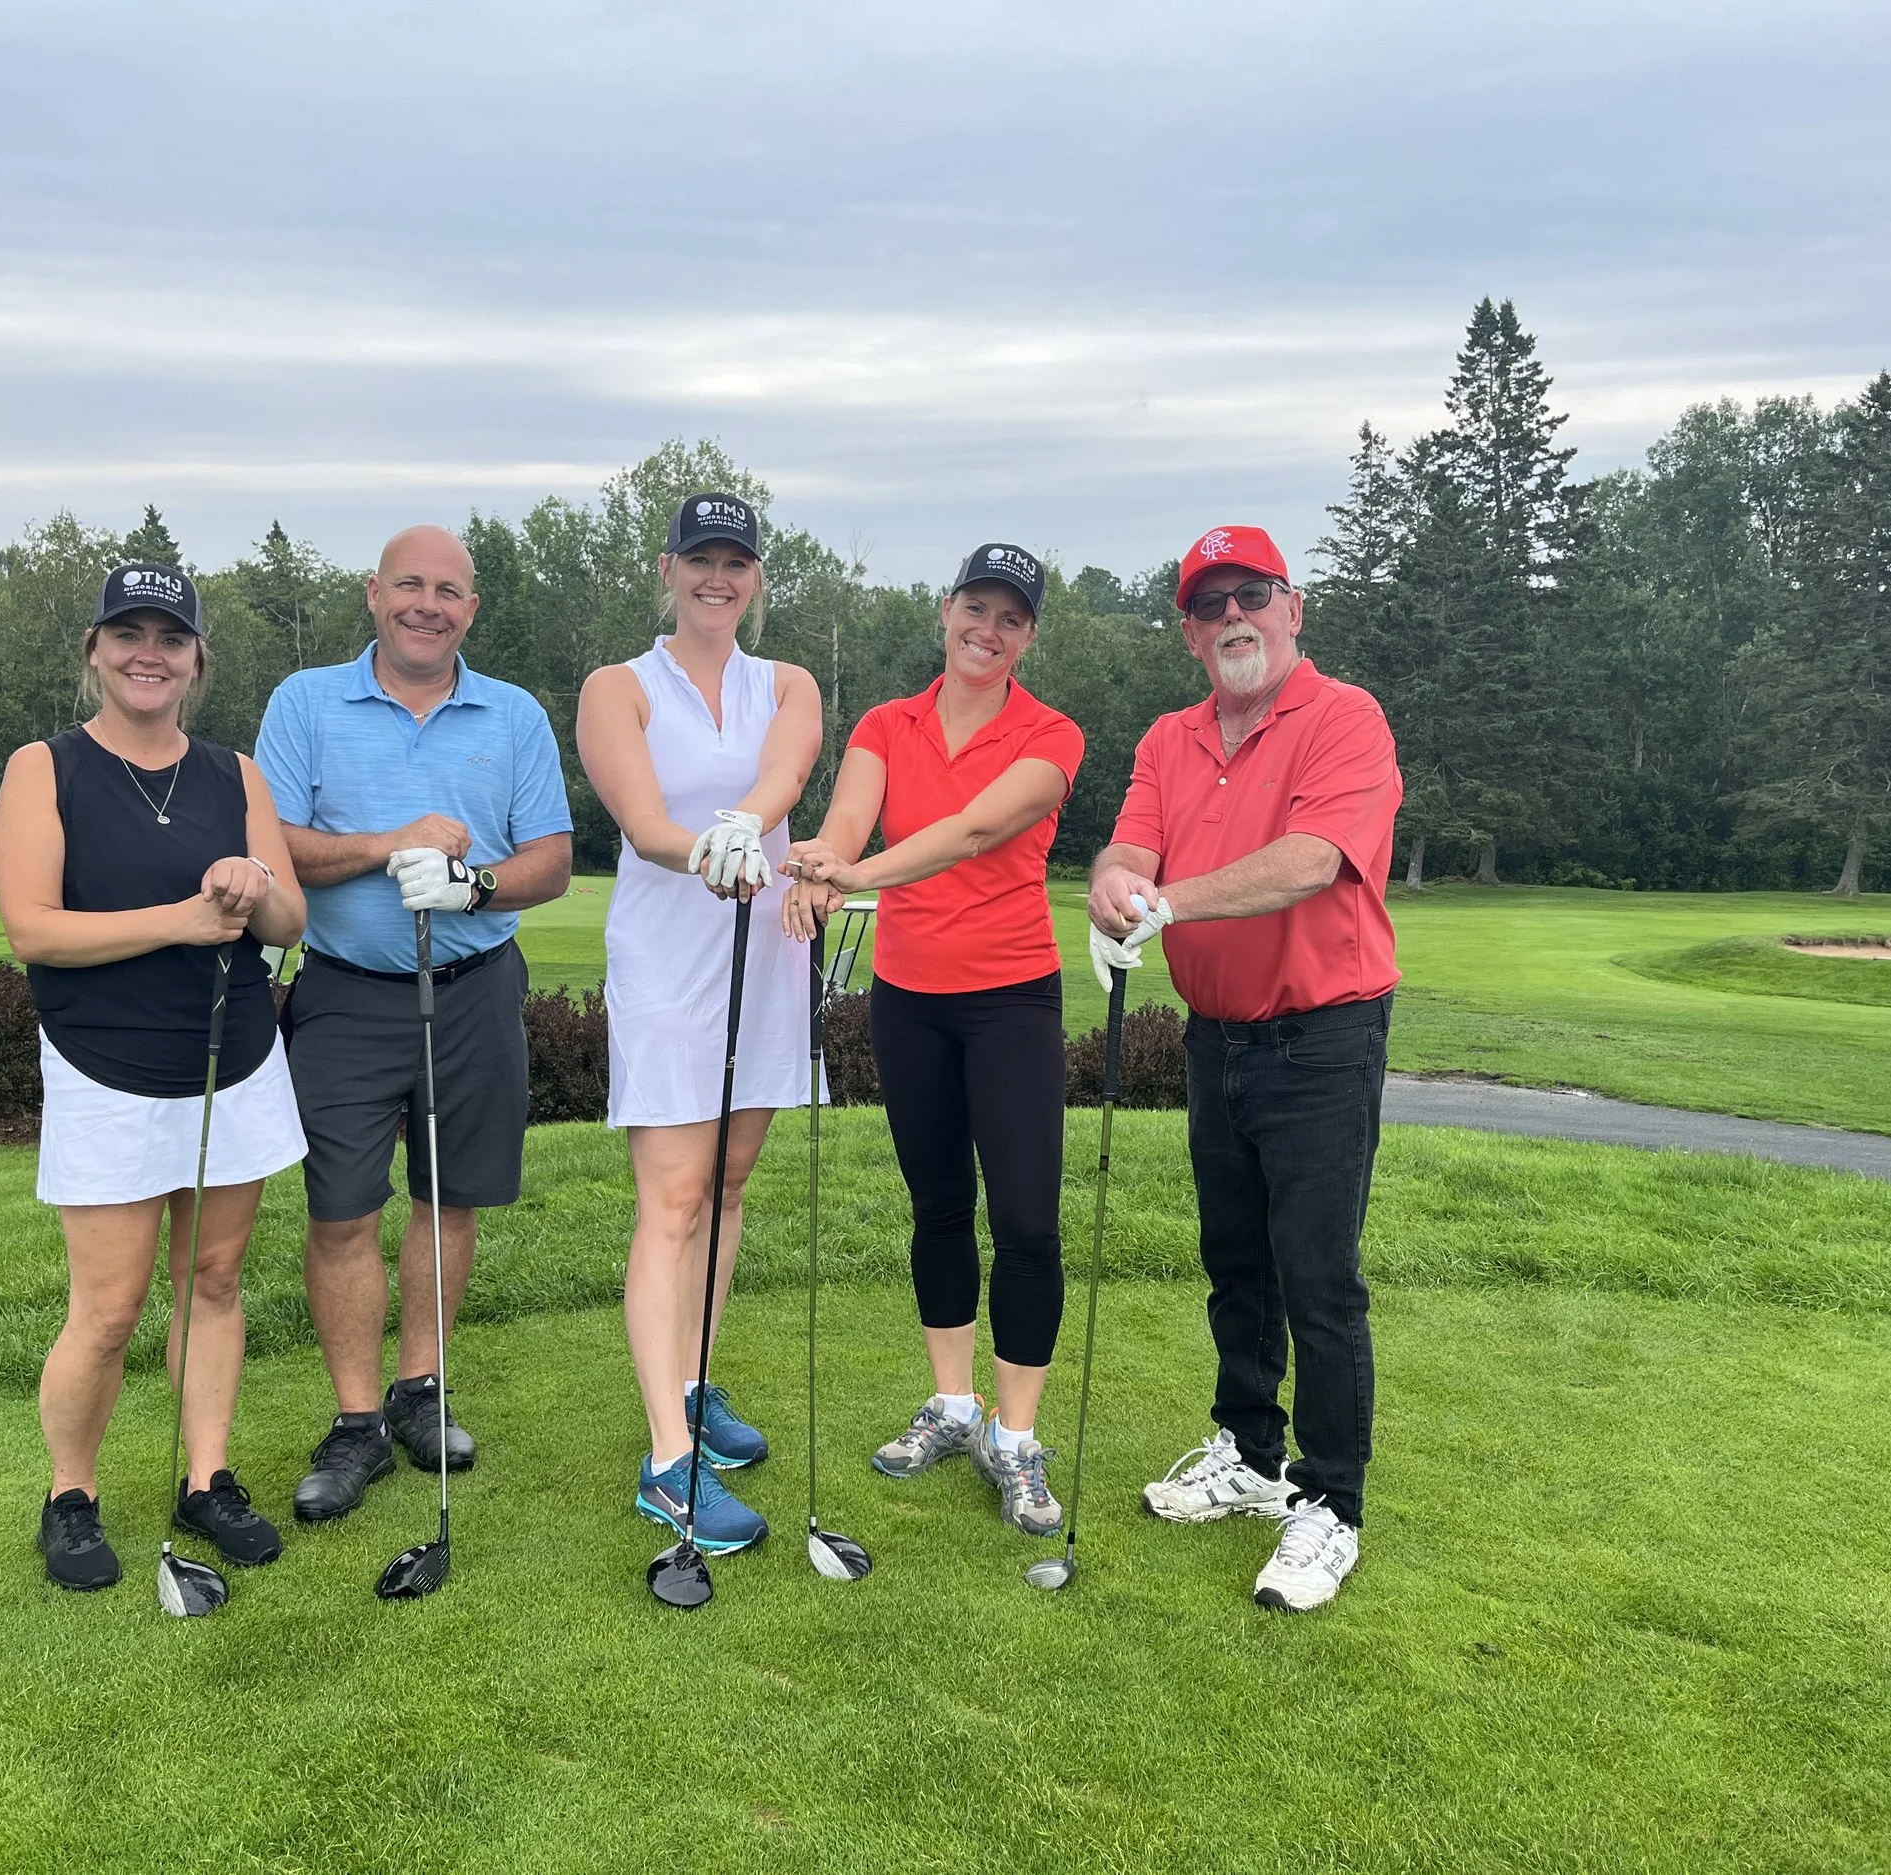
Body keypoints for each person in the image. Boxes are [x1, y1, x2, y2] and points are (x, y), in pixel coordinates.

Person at [1086, 523, 1402, 1614]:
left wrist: (1169, 902)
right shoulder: (1169, 739)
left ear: (1292, 607)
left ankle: (1332, 1503)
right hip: (1213, 1036)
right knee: (1236, 1263)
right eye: (1208, 604)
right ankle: (1252, 1454)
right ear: (1188, 632)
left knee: (1317, 1276)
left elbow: (1311, 862)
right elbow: (1127, 848)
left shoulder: (1344, 718)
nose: (1232, 617)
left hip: (1323, 1035)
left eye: (1251, 595)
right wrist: (1113, 891)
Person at [0, 561, 309, 1592]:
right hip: (105, 1066)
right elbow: (33, 929)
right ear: (94, 651)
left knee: (213, 1279)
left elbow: (288, 922)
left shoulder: (235, 774)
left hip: (232, 1061)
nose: (149, 654)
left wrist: (254, 883)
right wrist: (182, 918)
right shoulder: (44, 768)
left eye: (171, 639)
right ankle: (70, 1495)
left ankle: (205, 1477)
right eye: (128, 634)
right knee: (110, 1308)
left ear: (197, 661)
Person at [254, 526, 573, 1522]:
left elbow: (552, 857)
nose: (426, 605)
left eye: (447, 590)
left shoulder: (513, 714)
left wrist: (473, 886)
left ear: (470, 609)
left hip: (473, 985)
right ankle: (357, 1421)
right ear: (373, 594)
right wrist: (391, 844)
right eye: (408, 585)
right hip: (345, 991)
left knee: (449, 1198)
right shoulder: (306, 701)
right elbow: (275, 845)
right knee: (341, 1208)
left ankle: (419, 1390)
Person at [781, 543, 1085, 1539]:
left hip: (1011, 1001)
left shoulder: (1052, 736)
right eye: (975, 608)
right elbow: (850, 816)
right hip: (909, 1000)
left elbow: (972, 832)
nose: (987, 631)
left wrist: (854, 873)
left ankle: (1015, 1436)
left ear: (1028, 635)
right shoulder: (885, 723)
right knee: (940, 1206)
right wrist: (823, 860)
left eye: (1010, 618)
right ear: (945, 610)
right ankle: (953, 1407)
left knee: (1027, 1220)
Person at [576, 491, 823, 1556]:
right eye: (700, 560)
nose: (717, 578)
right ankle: (667, 1461)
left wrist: (741, 828)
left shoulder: (789, 683)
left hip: (762, 956)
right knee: (672, 1200)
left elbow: (786, 773)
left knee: (726, 1186)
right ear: (668, 570)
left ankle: (694, 1376)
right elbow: (641, 823)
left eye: (736, 563)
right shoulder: (617, 687)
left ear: (756, 578)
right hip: (668, 963)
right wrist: (705, 848)